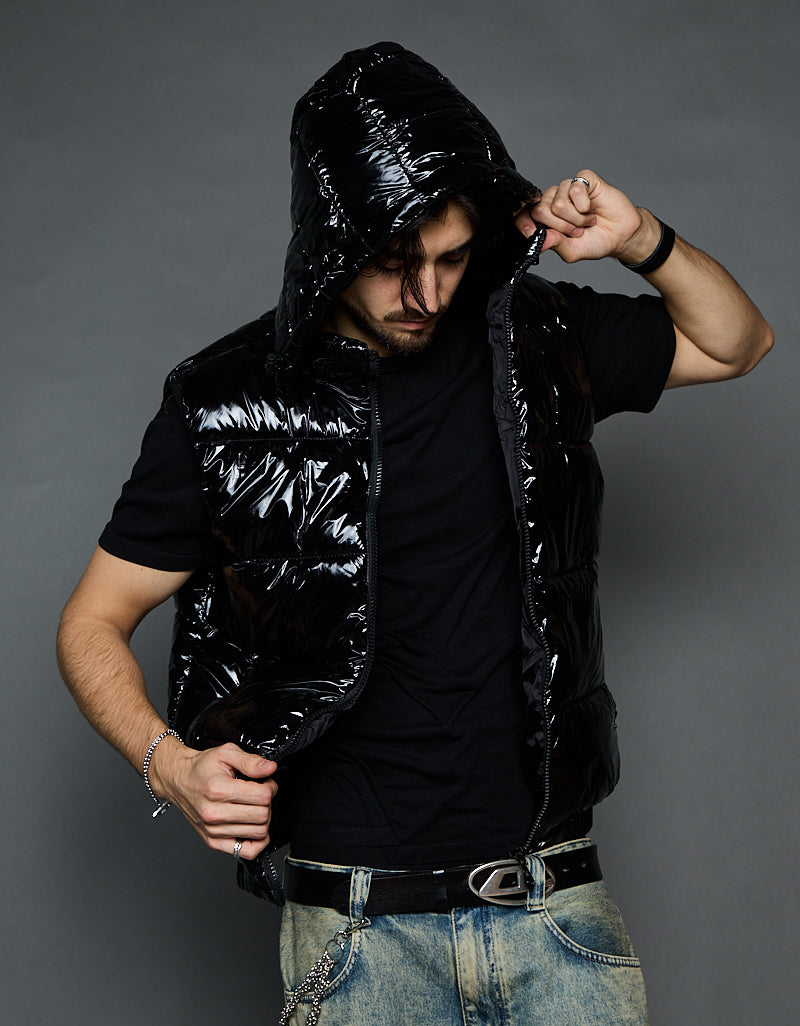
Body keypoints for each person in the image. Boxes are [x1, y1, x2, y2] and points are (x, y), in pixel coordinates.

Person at [57, 41, 772, 1025]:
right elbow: (92, 621)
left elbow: (735, 343)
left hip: (555, 910)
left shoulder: (534, 339)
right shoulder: (226, 406)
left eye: (450, 258)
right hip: (357, 938)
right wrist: (168, 764)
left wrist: (643, 239)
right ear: (329, 244)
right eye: (395, 265)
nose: (426, 295)